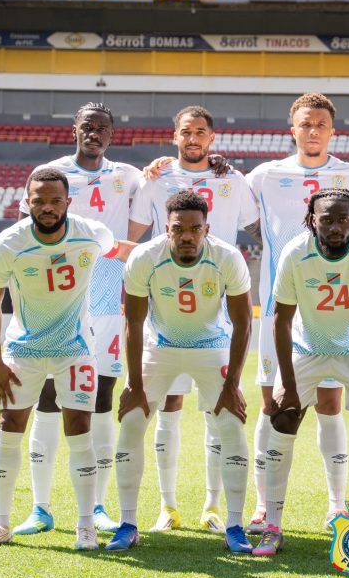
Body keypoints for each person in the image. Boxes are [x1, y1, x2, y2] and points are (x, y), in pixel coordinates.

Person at [0, 168, 134, 550]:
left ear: (67, 203)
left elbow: (119, 249)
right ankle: (0, 523)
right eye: (39, 200)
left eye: (55, 201)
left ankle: (84, 526)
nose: (47, 207)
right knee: (10, 425)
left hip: (74, 349)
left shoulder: (91, 232)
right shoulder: (8, 244)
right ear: (27, 202)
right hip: (23, 350)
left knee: (80, 427)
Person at [244, 93, 349, 533]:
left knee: (329, 401)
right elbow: (229, 209)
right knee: (272, 403)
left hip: (335, 307)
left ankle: (336, 505)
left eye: (321, 123)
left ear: (332, 130)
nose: (314, 130)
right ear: (293, 129)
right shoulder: (264, 176)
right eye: (306, 123)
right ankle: (264, 503)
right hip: (280, 309)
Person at [128, 105, 260, 535]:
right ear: (174, 135)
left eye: (201, 131)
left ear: (213, 138)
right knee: (168, 408)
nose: (193, 138)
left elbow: (260, 230)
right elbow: (134, 234)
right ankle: (167, 506)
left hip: (213, 316)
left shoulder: (231, 179)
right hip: (166, 310)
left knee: (215, 412)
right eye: (186, 131)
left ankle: (212, 505)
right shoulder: (155, 178)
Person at [14, 103, 143, 535]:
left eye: (102, 128)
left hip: (107, 302)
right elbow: (28, 234)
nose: (94, 133)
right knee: (50, 397)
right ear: (75, 129)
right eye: (87, 126)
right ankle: (40, 507)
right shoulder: (49, 172)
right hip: (60, 301)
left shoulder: (129, 175)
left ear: (112, 134)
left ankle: (99, 504)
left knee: (102, 398)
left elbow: (158, 201)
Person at [108, 190, 254, 553]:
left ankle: (235, 525)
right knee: (131, 423)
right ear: (167, 229)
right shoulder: (144, 257)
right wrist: (135, 384)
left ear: (206, 229)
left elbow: (241, 324)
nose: (187, 236)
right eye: (178, 229)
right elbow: (135, 323)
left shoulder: (227, 257)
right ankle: (128, 523)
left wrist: (233, 383)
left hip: (211, 346)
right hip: (162, 347)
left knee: (231, 425)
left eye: (194, 229)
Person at [252, 189, 349, 556]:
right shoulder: (296, 253)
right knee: (282, 420)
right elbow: (282, 321)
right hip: (307, 349)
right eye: (326, 219)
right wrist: (288, 383)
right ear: (312, 219)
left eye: (342, 219)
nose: (335, 226)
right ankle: (273, 526)